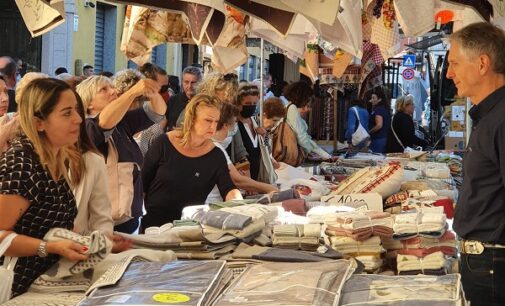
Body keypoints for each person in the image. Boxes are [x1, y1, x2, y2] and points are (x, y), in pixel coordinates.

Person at [0, 78, 89, 297]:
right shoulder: (22, 164)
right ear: (39, 122)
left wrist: (91, 242)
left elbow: (49, 222)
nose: (78, 119)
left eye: (76, 111)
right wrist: (49, 247)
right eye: (67, 113)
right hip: (16, 287)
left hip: (41, 283)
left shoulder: (53, 158)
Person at [447, 22, 505, 306]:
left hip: (494, 265)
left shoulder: (501, 119)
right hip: (485, 263)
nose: (449, 73)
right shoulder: (488, 117)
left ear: (482, 64)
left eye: (454, 63)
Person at [76, 75, 165, 234]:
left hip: (128, 218)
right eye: (104, 89)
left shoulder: (121, 123)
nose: (113, 91)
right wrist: (132, 92)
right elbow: (103, 123)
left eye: (112, 87)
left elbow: (158, 112)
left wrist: (152, 92)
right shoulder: (87, 127)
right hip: (102, 224)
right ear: (88, 103)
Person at [142, 94, 242, 228]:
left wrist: (237, 202)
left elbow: (228, 188)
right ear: (192, 119)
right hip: (153, 226)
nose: (213, 127)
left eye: (216, 122)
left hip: (189, 227)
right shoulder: (164, 143)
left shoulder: (216, 155)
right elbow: (142, 183)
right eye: (208, 120)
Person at [206, 102, 277, 203]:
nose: (274, 124)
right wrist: (270, 189)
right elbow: (238, 179)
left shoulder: (257, 125)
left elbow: (267, 150)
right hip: (214, 201)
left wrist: (265, 136)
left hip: (252, 178)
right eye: (273, 120)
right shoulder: (217, 147)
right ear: (264, 115)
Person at [284, 81, 331, 160]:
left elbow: (304, 138)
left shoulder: (289, 107)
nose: (308, 109)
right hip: (289, 156)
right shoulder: (292, 109)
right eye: (307, 104)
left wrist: (324, 155)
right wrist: (313, 153)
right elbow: (302, 137)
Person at [236, 84, 262, 180]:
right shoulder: (234, 125)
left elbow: (267, 148)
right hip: (243, 176)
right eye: (247, 104)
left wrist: (265, 135)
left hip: (258, 174)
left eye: (254, 104)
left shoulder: (256, 122)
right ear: (238, 104)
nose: (251, 107)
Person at [166, 66, 202, 131]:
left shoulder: (204, 102)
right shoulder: (173, 100)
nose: (189, 86)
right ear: (182, 82)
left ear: (200, 83)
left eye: (193, 82)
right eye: (186, 82)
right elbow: (165, 122)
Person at [368, 86, 391, 153]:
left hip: (379, 139)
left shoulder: (378, 109)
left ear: (379, 99)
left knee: (377, 159)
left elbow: (379, 125)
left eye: (373, 98)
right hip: (382, 139)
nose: (371, 100)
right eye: (371, 98)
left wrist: (369, 132)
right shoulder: (383, 108)